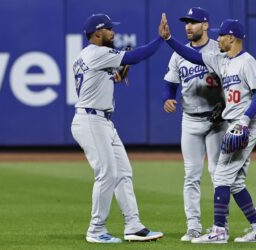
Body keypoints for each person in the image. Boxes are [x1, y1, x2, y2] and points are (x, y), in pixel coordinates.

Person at [160, 14, 256, 243]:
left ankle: (219, 230)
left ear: (232, 38)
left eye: (221, 35)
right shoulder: (222, 60)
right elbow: (193, 56)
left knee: (220, 175)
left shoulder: (248, 61)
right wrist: (169, 39)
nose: (217, 38)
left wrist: (245, 120)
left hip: (245, 125)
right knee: (235, 181)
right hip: (234, 124)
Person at [71, 13, 165, 243]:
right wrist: (160, 39)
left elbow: (103, 79)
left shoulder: (85, 56)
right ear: (97, 33)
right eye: (109, 29)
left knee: (123, 173)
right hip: (91, 120)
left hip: (102, 121)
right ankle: (96, 230)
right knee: (107, 174)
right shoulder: (97, 52)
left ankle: (133, 226)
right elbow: (135, 56)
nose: (113, 32)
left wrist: (116, 76)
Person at [162, 7, 225, 241]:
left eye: (194, 22)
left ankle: (220, 226)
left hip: (216, 120)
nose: (188, 26)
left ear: (206, 25)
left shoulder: (219, 48)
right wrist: (167, 98)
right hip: (189, 120)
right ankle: (193, 226)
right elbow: (170, 82)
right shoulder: (178, 54)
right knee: (191, 175)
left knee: (217, 173)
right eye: (186, 22)